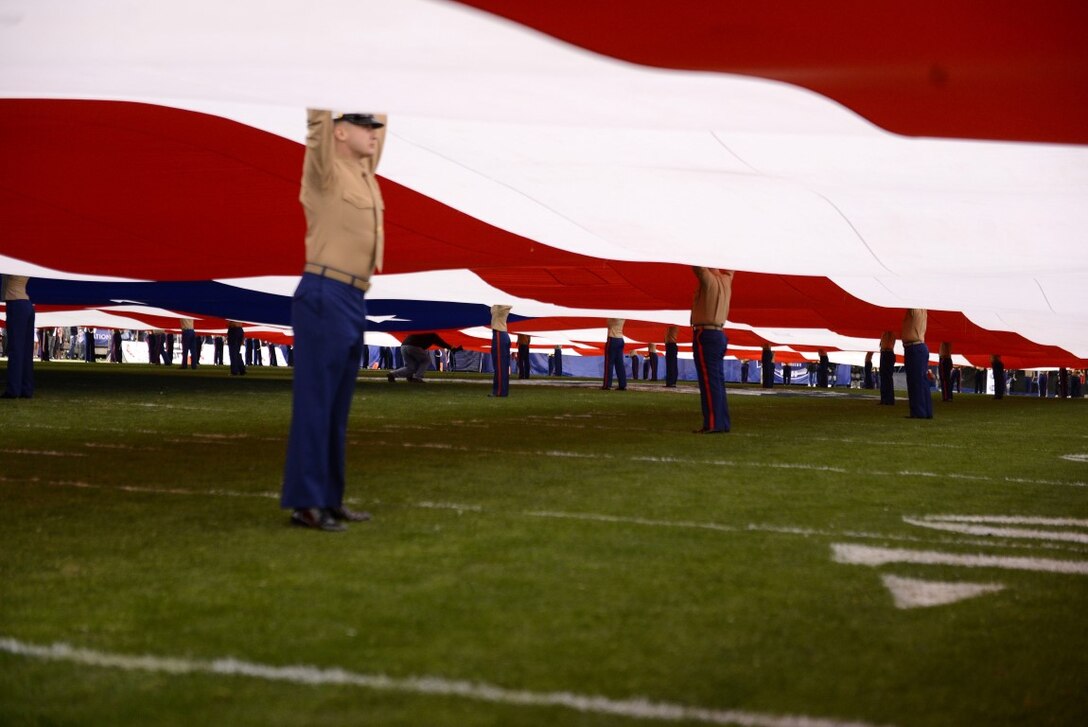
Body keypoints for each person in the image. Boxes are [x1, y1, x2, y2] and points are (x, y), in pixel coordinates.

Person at [281, 109, 388, 532]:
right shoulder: (324, 172)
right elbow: (316, 126)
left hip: (352, 297)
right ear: (340, 132)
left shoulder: (364, 172)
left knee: (336, 409)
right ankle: (306, 504)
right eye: (367, 128)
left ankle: (330, 498)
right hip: (324, 293)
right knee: (316, 406)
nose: (376, 135)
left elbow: (382, 112)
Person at [691, 266, 734, 433]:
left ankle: (713, 422)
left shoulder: (708, 279)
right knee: (717, 381)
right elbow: (731, 270)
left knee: (709, 382)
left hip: (706, 334)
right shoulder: (726, 279)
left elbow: (697, 267)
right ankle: (722, 422)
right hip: (719, 334)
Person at [2, 274, 34, 399]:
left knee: (15, 349)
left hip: (16, 303)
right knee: (26, 351)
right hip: (26, 303)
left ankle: (13, 389)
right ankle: (26, 389)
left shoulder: (12, 265)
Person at [388, 332, 460, 383]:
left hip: (403, 346)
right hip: (414, 346)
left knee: (410, 367)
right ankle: (417, 377)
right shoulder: (432, 334)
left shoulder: (422, 330)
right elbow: (441, 343)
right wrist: (452, 348)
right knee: (426, 360)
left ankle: (392, 374)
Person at [902, 309, 932, 419]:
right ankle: (925, 411)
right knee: (921, 381)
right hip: (918, 347)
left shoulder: (916, 309)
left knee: (916, 382)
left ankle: (918, 412)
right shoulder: (923, 311)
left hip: (914, 347)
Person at [490, 305, 512, 397]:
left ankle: (499, 391)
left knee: (500, 365)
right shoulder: (497, 305)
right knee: (500, 365)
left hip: (500, 333)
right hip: (499, 334)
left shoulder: (503, 305)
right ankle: (501, 391)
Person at [601, 318, 627, 390]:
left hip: (612, 338)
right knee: (619, 364)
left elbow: (608, 323)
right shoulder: (623, 316)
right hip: (620, 339)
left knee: (609, 363)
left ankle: (607, 384)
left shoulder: (613, 315)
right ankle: (622, 384)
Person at [878, 330, 895, 405]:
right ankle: (884, 399)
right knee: (883, 376)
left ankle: (889, 399)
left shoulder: (890, 331)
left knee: (887, 377)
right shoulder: (884, 332)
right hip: (884, 352)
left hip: (888, 352)